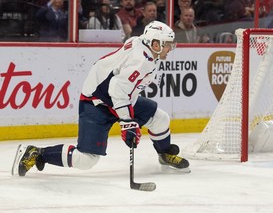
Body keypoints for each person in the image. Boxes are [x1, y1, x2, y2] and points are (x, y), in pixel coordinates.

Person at [11, 20, 190, 177]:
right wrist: (127, 122)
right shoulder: (141, 61)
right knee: (86, 159)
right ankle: (37, 153)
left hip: (120, 100)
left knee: (160, 118)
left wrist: (127, 119)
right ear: (155, 43)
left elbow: (122, 89)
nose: (170, 48)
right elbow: (116, 89)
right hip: (97, 103)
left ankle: (164, 154)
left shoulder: (141, 44)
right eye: (167, 44)